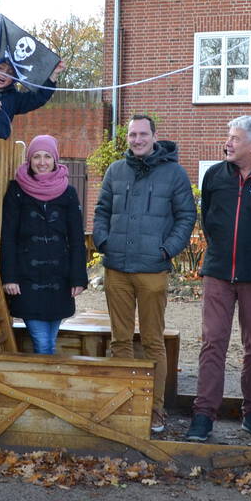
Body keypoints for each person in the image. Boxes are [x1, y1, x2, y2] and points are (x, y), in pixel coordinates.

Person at [187, 116, 251, 444]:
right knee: (212, 342)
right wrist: (220, 254)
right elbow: (209, 220)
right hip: (218, 273)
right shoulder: (215, 175)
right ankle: (203, 415)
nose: (227, 143)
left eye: (234, 138)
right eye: (227, 136)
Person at [91, 115, 196, 435]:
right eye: (132, 135)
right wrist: (103, 240)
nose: (137, 140)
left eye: (142, 134)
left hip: (152, 270)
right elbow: (102, 211)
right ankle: (124, 404)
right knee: (120, 341)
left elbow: (186, 215)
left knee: (153, 343)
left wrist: (167, 250)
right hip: (117, 268)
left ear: (154, 136)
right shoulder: (115, 171)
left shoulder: (174, 173)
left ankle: (154, 410)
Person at [0, 135, 86, 355]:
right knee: (43, 342)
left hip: (60, 278)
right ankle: (47, 385)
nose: (42, 162)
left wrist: (78, 278)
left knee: (50, 340)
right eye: (36, 156)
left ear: (55, 159)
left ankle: (45, 384)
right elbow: (7, 236)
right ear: (29, 160)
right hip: (27, 277)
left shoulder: (68, 192)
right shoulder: (16, 190)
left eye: (47, 156)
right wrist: (9, 276)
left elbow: (77, 239)